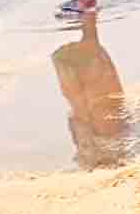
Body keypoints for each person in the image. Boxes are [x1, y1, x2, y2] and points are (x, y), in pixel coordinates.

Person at [52, 14, 128, 170]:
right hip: (94, 118)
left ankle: (87, 14)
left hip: (93, 118)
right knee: (94, 101)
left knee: (92, 101)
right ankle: (88, 16)